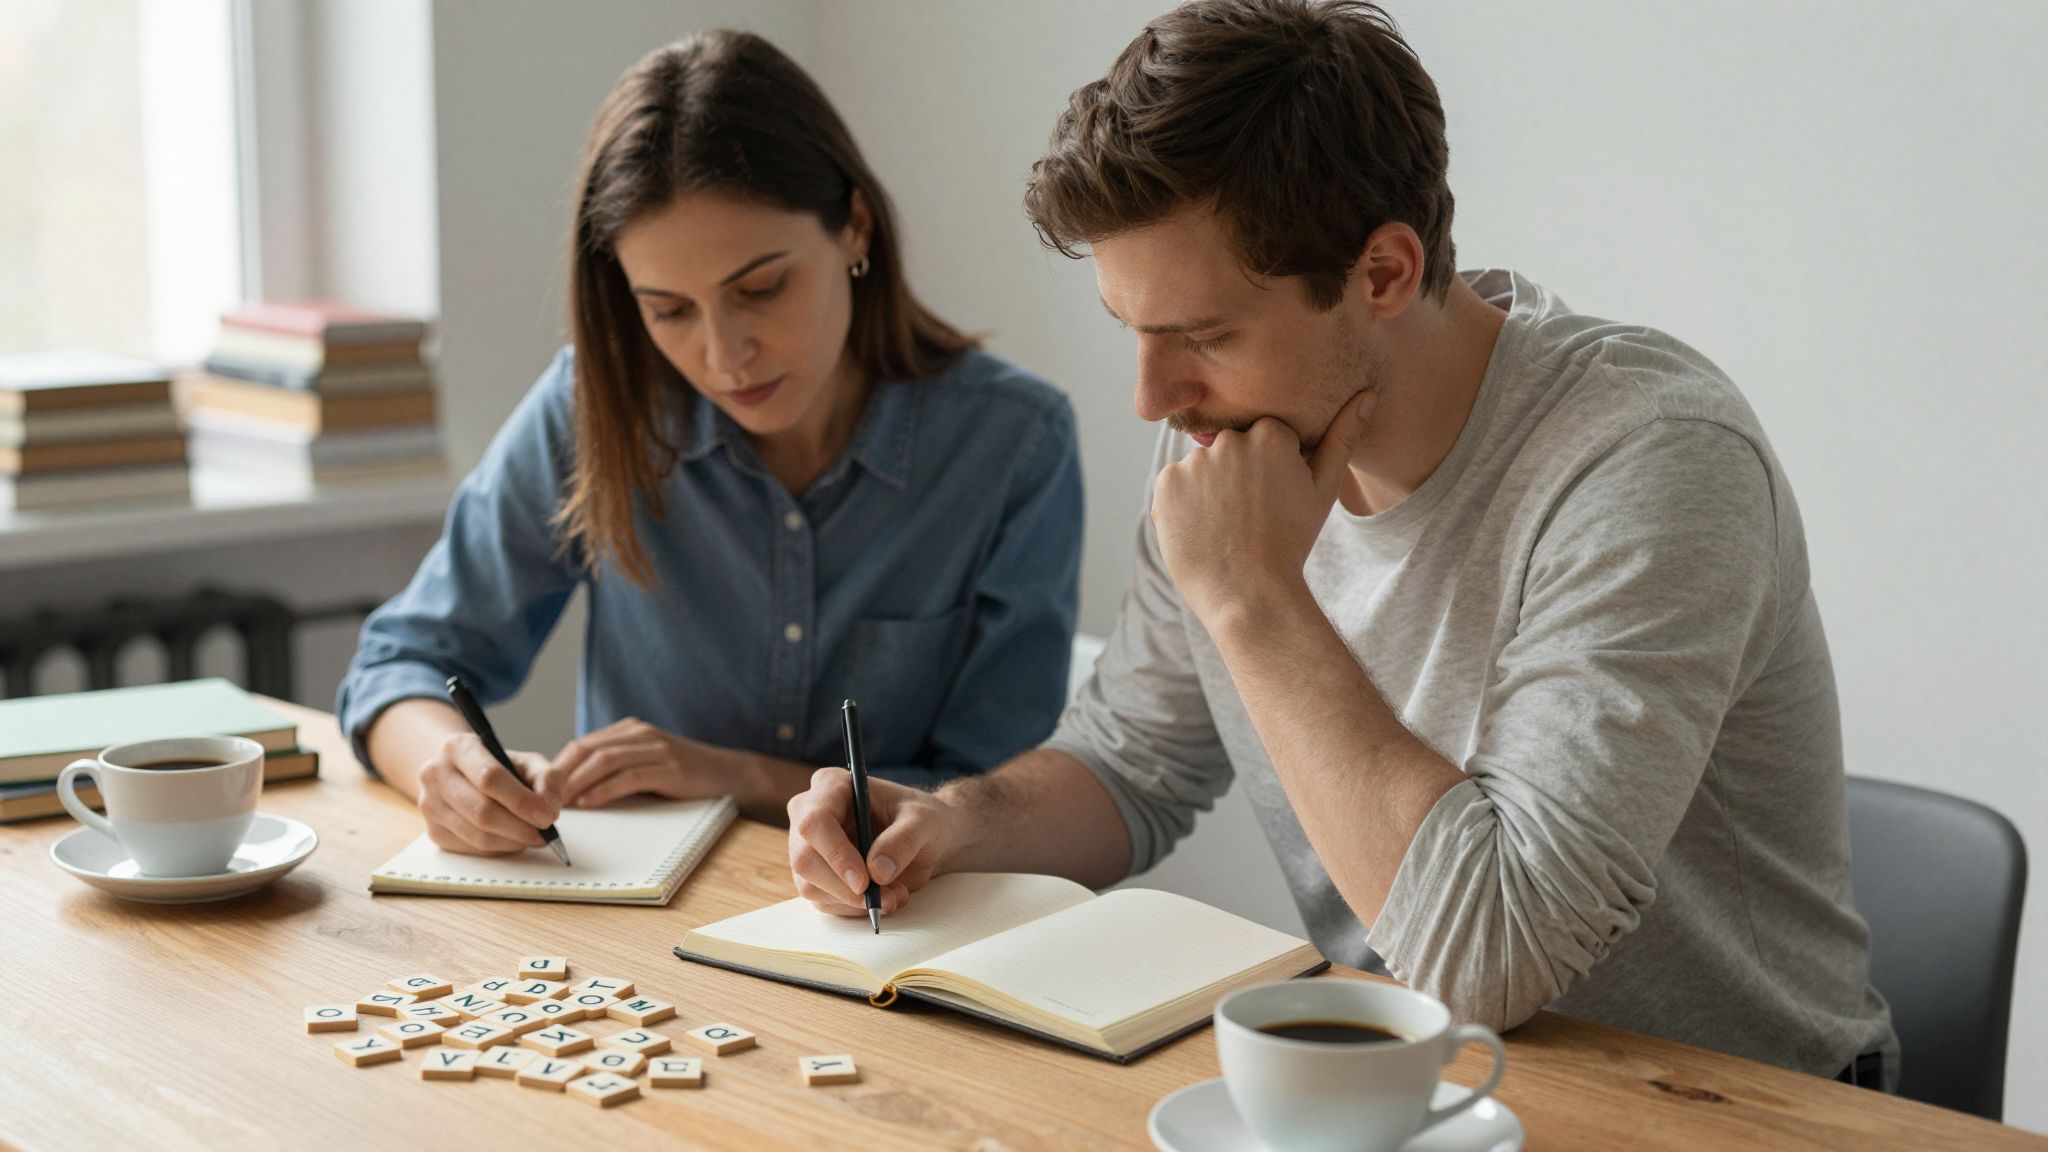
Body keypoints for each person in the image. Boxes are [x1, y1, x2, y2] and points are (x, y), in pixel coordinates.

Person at [785, 0, 1897, 1089]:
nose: (1153, 398)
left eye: (1202, 335)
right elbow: (1133, 763)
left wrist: (1253, 599)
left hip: (1739, 1107)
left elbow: (1492, 955)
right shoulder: (1228, 442)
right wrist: (948, 823)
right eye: (1134, 332)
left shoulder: (1650, 459)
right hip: (1413, 1081)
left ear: (1383, 273)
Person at [337, 30, 1082, 857]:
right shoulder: (596, 405)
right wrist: (451, 770)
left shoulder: (1013, 443)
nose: (725, 356)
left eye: (761, 288)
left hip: (904, 914)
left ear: (855, 227)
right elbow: (399, 663)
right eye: (669, 310)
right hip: (644, 915)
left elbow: (1002, 798)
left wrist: (737, 776)